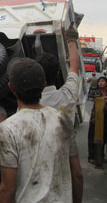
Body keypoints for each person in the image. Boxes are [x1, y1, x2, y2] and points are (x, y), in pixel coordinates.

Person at [0, 57, 82, 203]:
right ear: (43, 85)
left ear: (11, 88)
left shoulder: (7, 129)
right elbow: (77, 173)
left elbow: (7, 189)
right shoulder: (62, 120)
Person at [36, 24, 84, 201]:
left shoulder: (27, 104)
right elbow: (74, 68)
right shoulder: (68, 96)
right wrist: (72, 40)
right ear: (57, 73)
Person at [87, 76, 107, 165]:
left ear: (106, 83)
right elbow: (98, 98)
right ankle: (91, 157)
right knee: (92, 138)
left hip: (105, 118)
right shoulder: (95, 91)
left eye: (103, 81)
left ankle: (101, 156)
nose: (100, 83)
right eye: (99, 81)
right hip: (95, 118)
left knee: (103, 139)